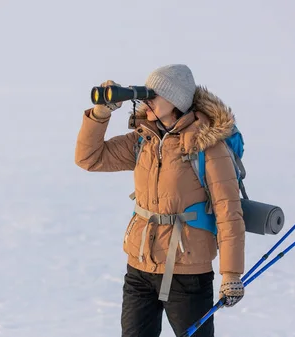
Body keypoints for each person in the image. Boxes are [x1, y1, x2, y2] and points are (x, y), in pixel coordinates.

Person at [74, 64, 246, 337]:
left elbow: (229, 212)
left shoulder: (208, 146)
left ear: (176, 100)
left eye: (153, 94)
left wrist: (231, 274)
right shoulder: (144, 140)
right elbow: (89, 158)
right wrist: (101, 112)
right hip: (140, 266)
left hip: (188, 271)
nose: (146, 100)